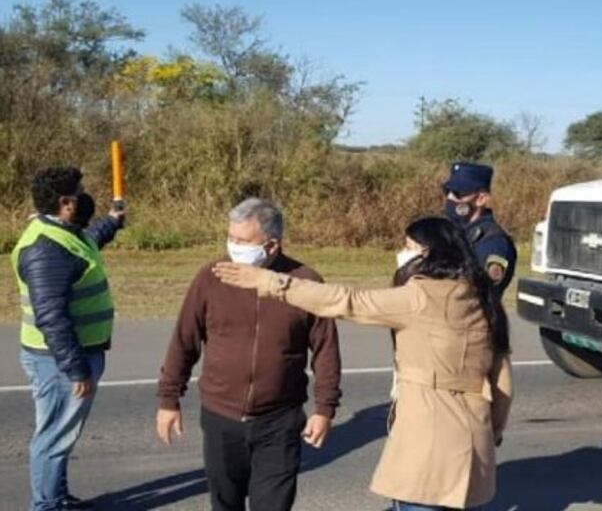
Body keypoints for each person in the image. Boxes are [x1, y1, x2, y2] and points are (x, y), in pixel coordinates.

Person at [213, 216, 514, 511]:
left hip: (429, 443)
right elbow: (502, 384)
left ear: (429, 253)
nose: (403, 253)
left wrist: (273, 282)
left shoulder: (421, 297)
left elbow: (347, 300)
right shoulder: (485, 300)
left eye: (409, 246)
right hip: (475, 444)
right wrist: (492, 432)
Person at [156, 198, 341, 511]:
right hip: (221, 417)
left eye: (242, 241)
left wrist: (325, 408)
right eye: (230, 239)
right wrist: (168, 400)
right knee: (225, 503)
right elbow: (184, 341)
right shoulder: (210, 278)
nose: (233, 248)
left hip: (279, 421)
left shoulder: (305, 282)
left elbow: (325, 350)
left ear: (271, 245)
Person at [12, 166, 124, 511]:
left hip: (66, 357)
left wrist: (112, 221)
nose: (85, 196)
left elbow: (89, 242)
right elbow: (51, 317)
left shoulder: (63, 232)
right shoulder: (46, 249)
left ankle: (56, 498)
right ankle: (47, 505)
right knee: (54, 438)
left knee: (60, 434)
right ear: (65, 202)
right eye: (80, 192)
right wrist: (76, 369)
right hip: (58, 361)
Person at [443, 162, 517, 303]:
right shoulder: (456, 232)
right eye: (448, 191)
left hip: (475, 320)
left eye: (458, 193)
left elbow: (481, 291)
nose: (450, 198)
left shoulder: (493, 242)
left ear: (481, 199)